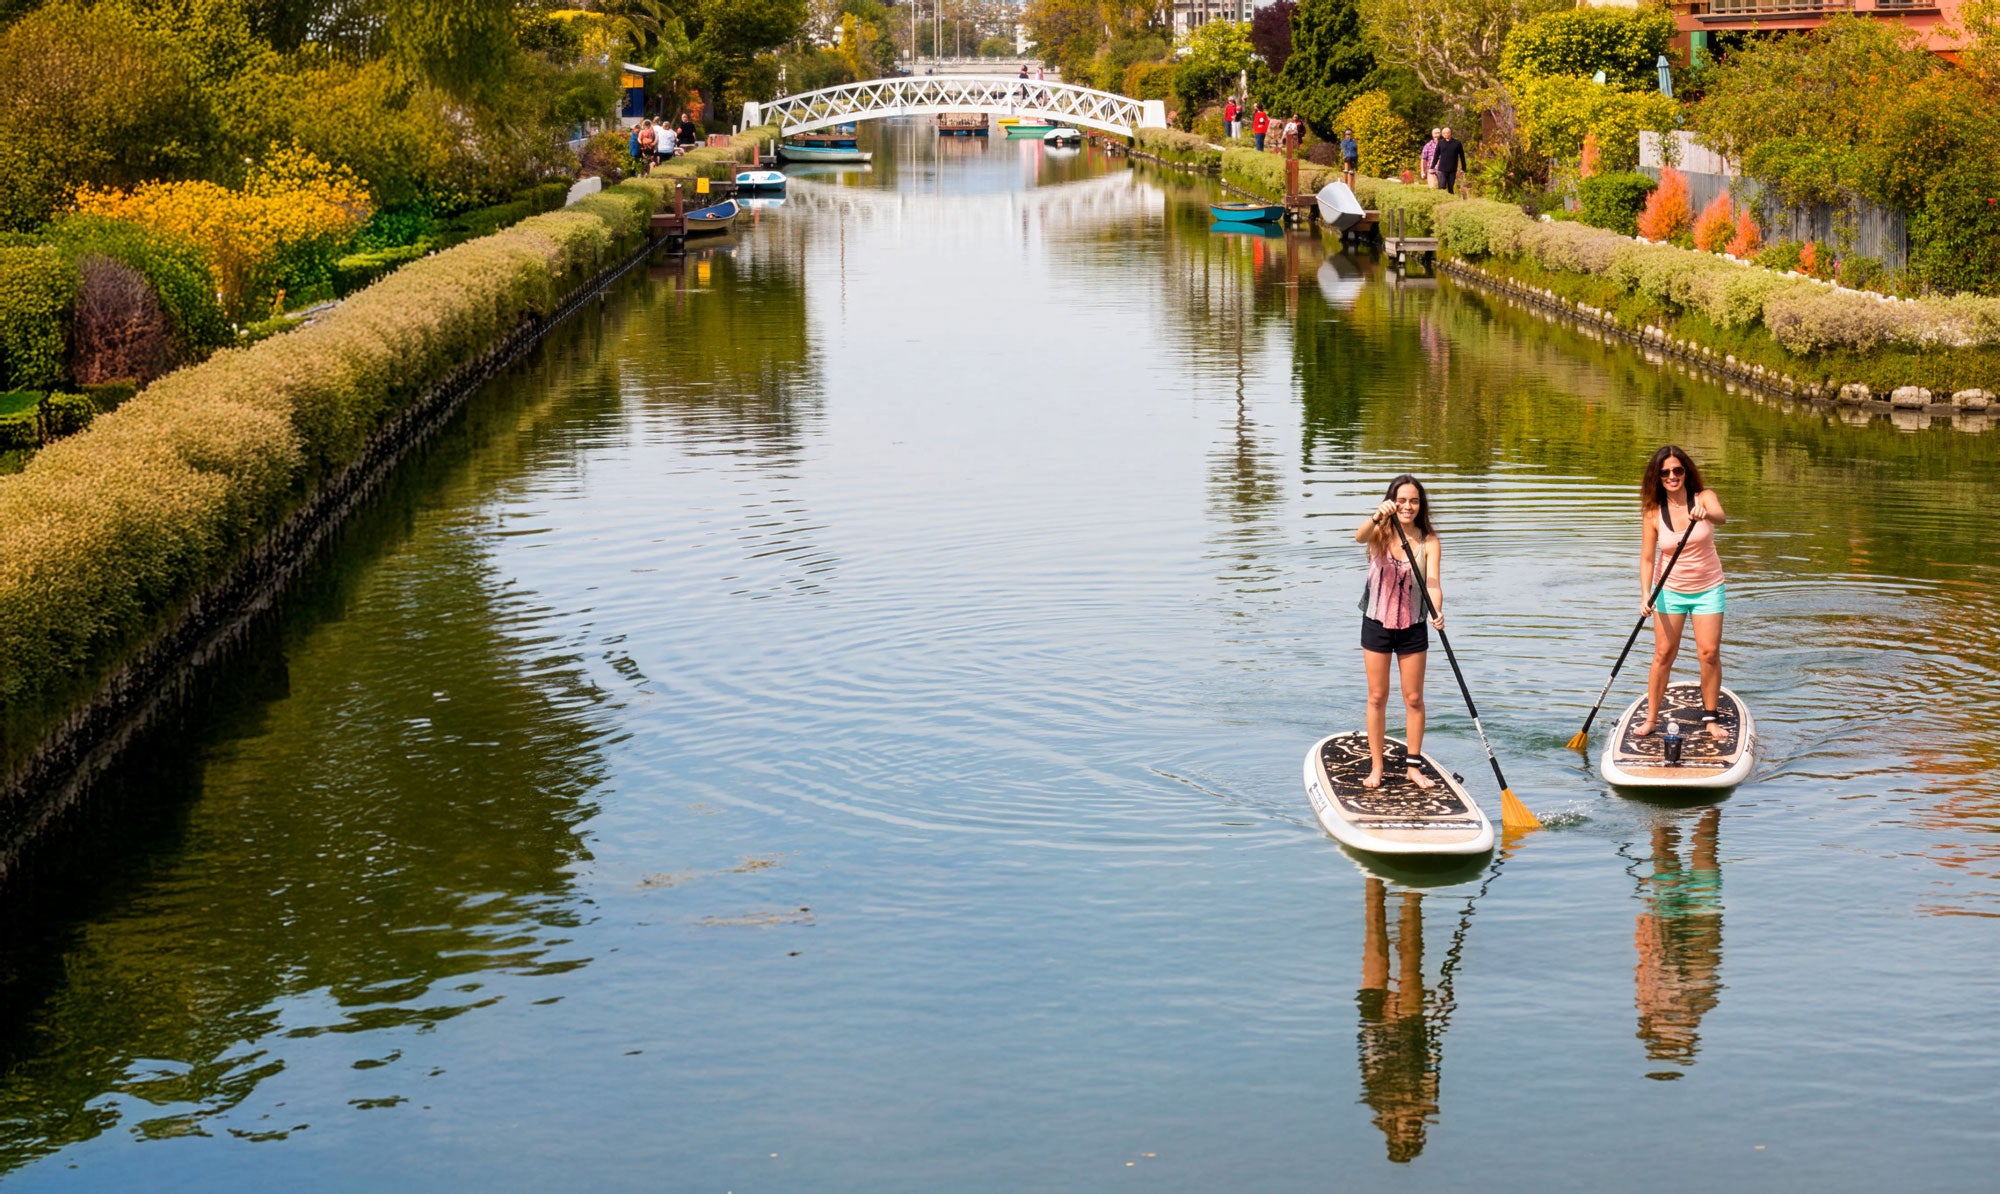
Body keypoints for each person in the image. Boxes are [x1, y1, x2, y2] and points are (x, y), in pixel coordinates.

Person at [1353, 475, 1446, 790]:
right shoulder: (1380, 530)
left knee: (1414, 697)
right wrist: (1379, 513)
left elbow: (1432, 582)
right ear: (1393, 501)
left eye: (1414, 501)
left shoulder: (1429, 541)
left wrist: (1437, 611)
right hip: (1376, 623)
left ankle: (1413, 767)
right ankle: (1377, 767)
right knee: (1377, 696)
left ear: (1421, 506)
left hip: (1413, 627)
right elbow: (1358, 536)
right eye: (1403, 500)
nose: (1408, 506)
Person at [1636, 445, 1729, 738]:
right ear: (1658, 477)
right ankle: (1651, 718)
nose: (1672, 476)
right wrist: (1645, 595)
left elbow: (1720, 516)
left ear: (1686, 472)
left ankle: (1711, 718)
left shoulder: (1704, 498)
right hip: (1669, 591)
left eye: (1678, 470)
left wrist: (1705, 513)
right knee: (1664, 654)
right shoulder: (1653, 513)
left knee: (1709, 653)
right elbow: (1648, 558)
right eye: (1665, 472)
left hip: (1708, 589)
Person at [1433, 126, 1466, 195]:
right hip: (1442, 168)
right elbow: (1436, 155)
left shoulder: (1457, 143)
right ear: (1442, 134)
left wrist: (1463, 168)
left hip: (1452, 169)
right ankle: (1441, 200)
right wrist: (1432, 167)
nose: (1446, 134)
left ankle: (1450, 201)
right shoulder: (1440, 143)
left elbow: (1462, 156)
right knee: (1442, 186)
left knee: (1450, 187)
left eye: (1447, 133)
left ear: (1451, 133)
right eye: (1444, 133)